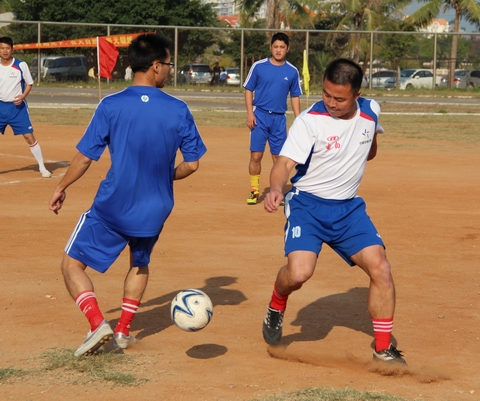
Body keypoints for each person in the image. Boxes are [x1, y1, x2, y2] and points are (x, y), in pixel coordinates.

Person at [48, 33, 207, 357]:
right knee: (140, 262)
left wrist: (61, 187)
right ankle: (122, 331)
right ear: (155, 66)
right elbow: (192, 164)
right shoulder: (179, 109)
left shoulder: (111, 105)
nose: (170, 69)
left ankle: (97, 324)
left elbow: (85, 158)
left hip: (115, 205)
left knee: (71, 265)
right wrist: (163, 176)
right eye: (169, 64)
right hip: (156, 208)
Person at [261, 58, 406, 365]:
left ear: (357, 94)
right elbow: (284, 163)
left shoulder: (371, 110)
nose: (330, 102)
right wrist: (275, 188)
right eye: (326, 94)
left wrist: (365, 144)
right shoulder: (310, 121)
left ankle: (383, 350)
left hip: (348, 210)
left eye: (339, 98)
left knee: (381, 269)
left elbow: (370, 148)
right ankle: (277, 303)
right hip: (308, 206)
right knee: (299, 274)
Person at [243, 32, 302, 205]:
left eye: (282, 47)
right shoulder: (258, 67)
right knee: (256, 156)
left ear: (287, 49)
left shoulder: (292, 71)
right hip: (259, 117)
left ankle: (278, 192)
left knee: (278, 158)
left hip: (279, 119)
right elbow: (248, 90)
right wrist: (250, 113)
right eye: (275, 46)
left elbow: (295, 96)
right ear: (271, 47)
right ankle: (254, 191)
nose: (278, 50)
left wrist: (298, 120)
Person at [0, 36, 51, 178]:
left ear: (12, 49)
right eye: (2, 48)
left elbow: (29, 83)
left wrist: (23, 96)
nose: (5, 51)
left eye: (7, 48)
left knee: (29, 137)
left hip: (17, 109)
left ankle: (42, 168)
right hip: (0, 106)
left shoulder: (20, 65)